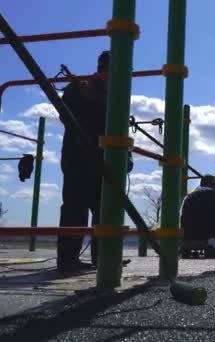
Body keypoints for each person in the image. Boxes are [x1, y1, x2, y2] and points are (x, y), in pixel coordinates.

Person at [57, 51, 132, 273]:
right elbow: (68, 117)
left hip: (104, 159)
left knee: (105, 210)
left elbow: (118, 130)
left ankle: (103, 258)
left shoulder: (112, 96)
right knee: (75, 208)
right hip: (79, 158)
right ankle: (68, 260)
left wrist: (125, 155)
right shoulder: (80, 89)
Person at [180, 175, 215, 257]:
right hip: (206, 233)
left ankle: (188, 245)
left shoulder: (189, 197)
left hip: (188, 234)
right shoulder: (211, 196)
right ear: (214, 185)